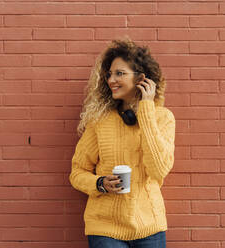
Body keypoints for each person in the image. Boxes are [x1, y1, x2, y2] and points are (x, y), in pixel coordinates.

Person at [69, 38, 176, 248]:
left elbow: (159, 169)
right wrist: (100, 184)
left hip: (149, 227)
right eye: (109, 74)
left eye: (120, 73)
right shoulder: (99, 121)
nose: (111, 80)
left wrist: (145, 110)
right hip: (105, 228)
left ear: (141, 79)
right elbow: (77, 172)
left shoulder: (163, 118)